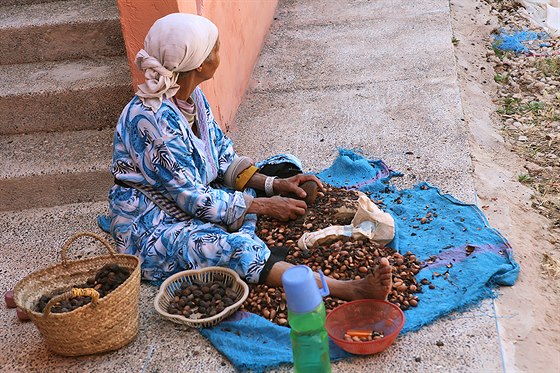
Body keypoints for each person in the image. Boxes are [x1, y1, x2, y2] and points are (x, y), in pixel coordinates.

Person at [107, 13, 391, 301]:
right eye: (215, 48)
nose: (221, 53)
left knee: (284, 164)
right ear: (201, 64)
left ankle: (257, 220)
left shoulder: (192, 97)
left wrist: (274, 186)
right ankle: (346, 288)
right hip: (155, 224)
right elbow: (192, 199)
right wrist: (265, 205)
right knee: (231, 248)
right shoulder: (151, 121)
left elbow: (221, 157)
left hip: (201, 194)